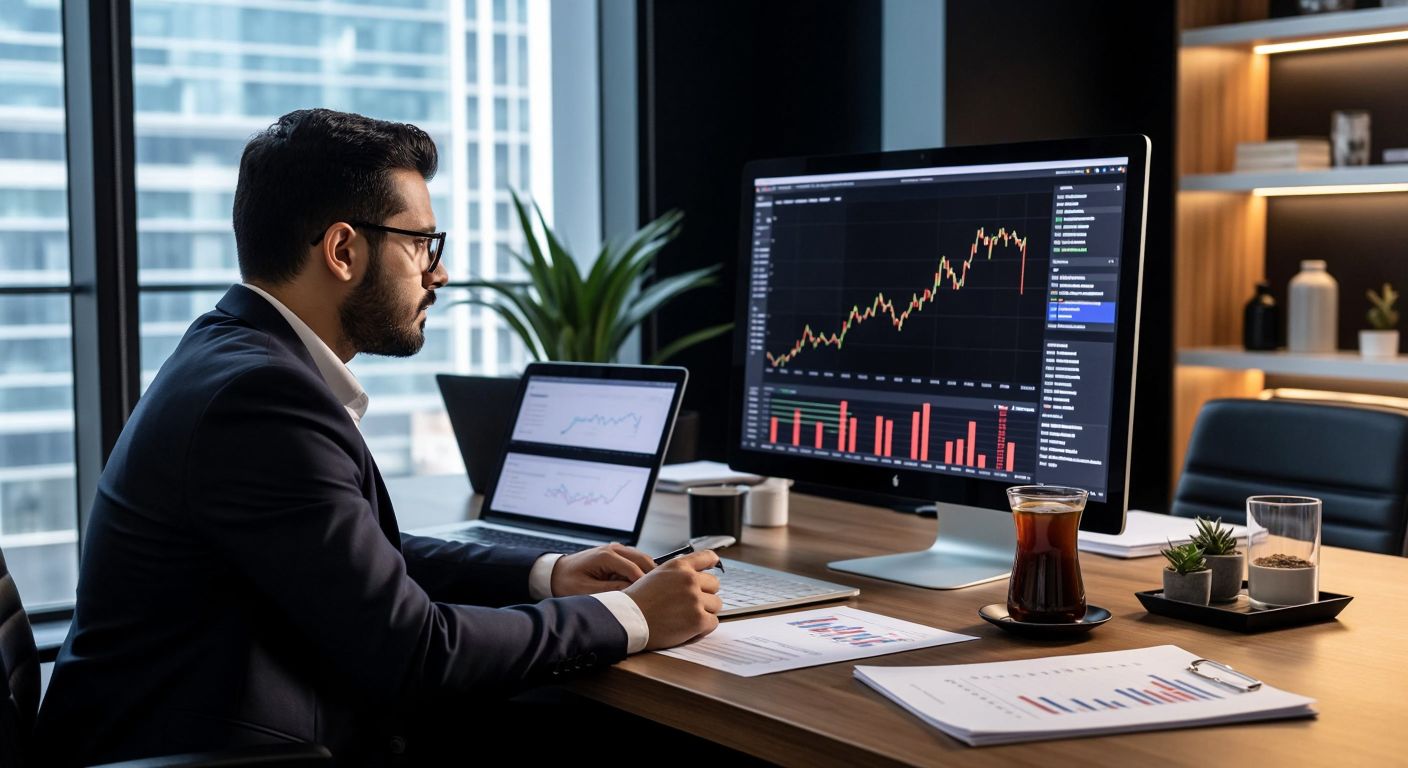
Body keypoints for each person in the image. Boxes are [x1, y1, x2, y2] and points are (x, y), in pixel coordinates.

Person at [34, 108, 722, 766]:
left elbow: (355, 553)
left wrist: (546, 574)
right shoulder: (262, 398)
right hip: (230, 749)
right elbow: (414, 652)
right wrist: (628, 617)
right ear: (342, 250)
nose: (439, 271)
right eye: (421, 242)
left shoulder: (232, 349)